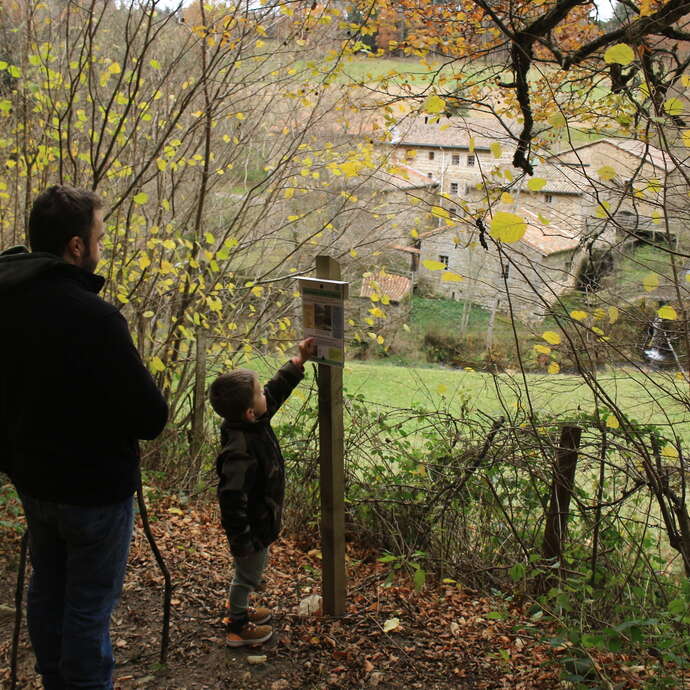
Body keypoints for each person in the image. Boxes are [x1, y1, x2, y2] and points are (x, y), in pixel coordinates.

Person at [0, 185, 168, 689]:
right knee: (88, 607)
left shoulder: (5, 298)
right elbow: (150, 416)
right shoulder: (95, 318)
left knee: (47, 591)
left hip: (33, 479)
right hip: (94, 491)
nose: (101, 244)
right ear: (76, 246)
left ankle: (55, 681)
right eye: (98, 234)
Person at [209, 337, 315, 647]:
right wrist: (242, 540)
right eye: (257, 393)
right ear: (249, 412)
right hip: (250, 529)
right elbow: (230, 498)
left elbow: (275, 390)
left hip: (260, 521)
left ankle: (238, 610)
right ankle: (237, 627)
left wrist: (299, 361)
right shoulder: (239, 451)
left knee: (247, 575)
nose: (263, 394)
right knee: (247, 576)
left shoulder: (250, 422)